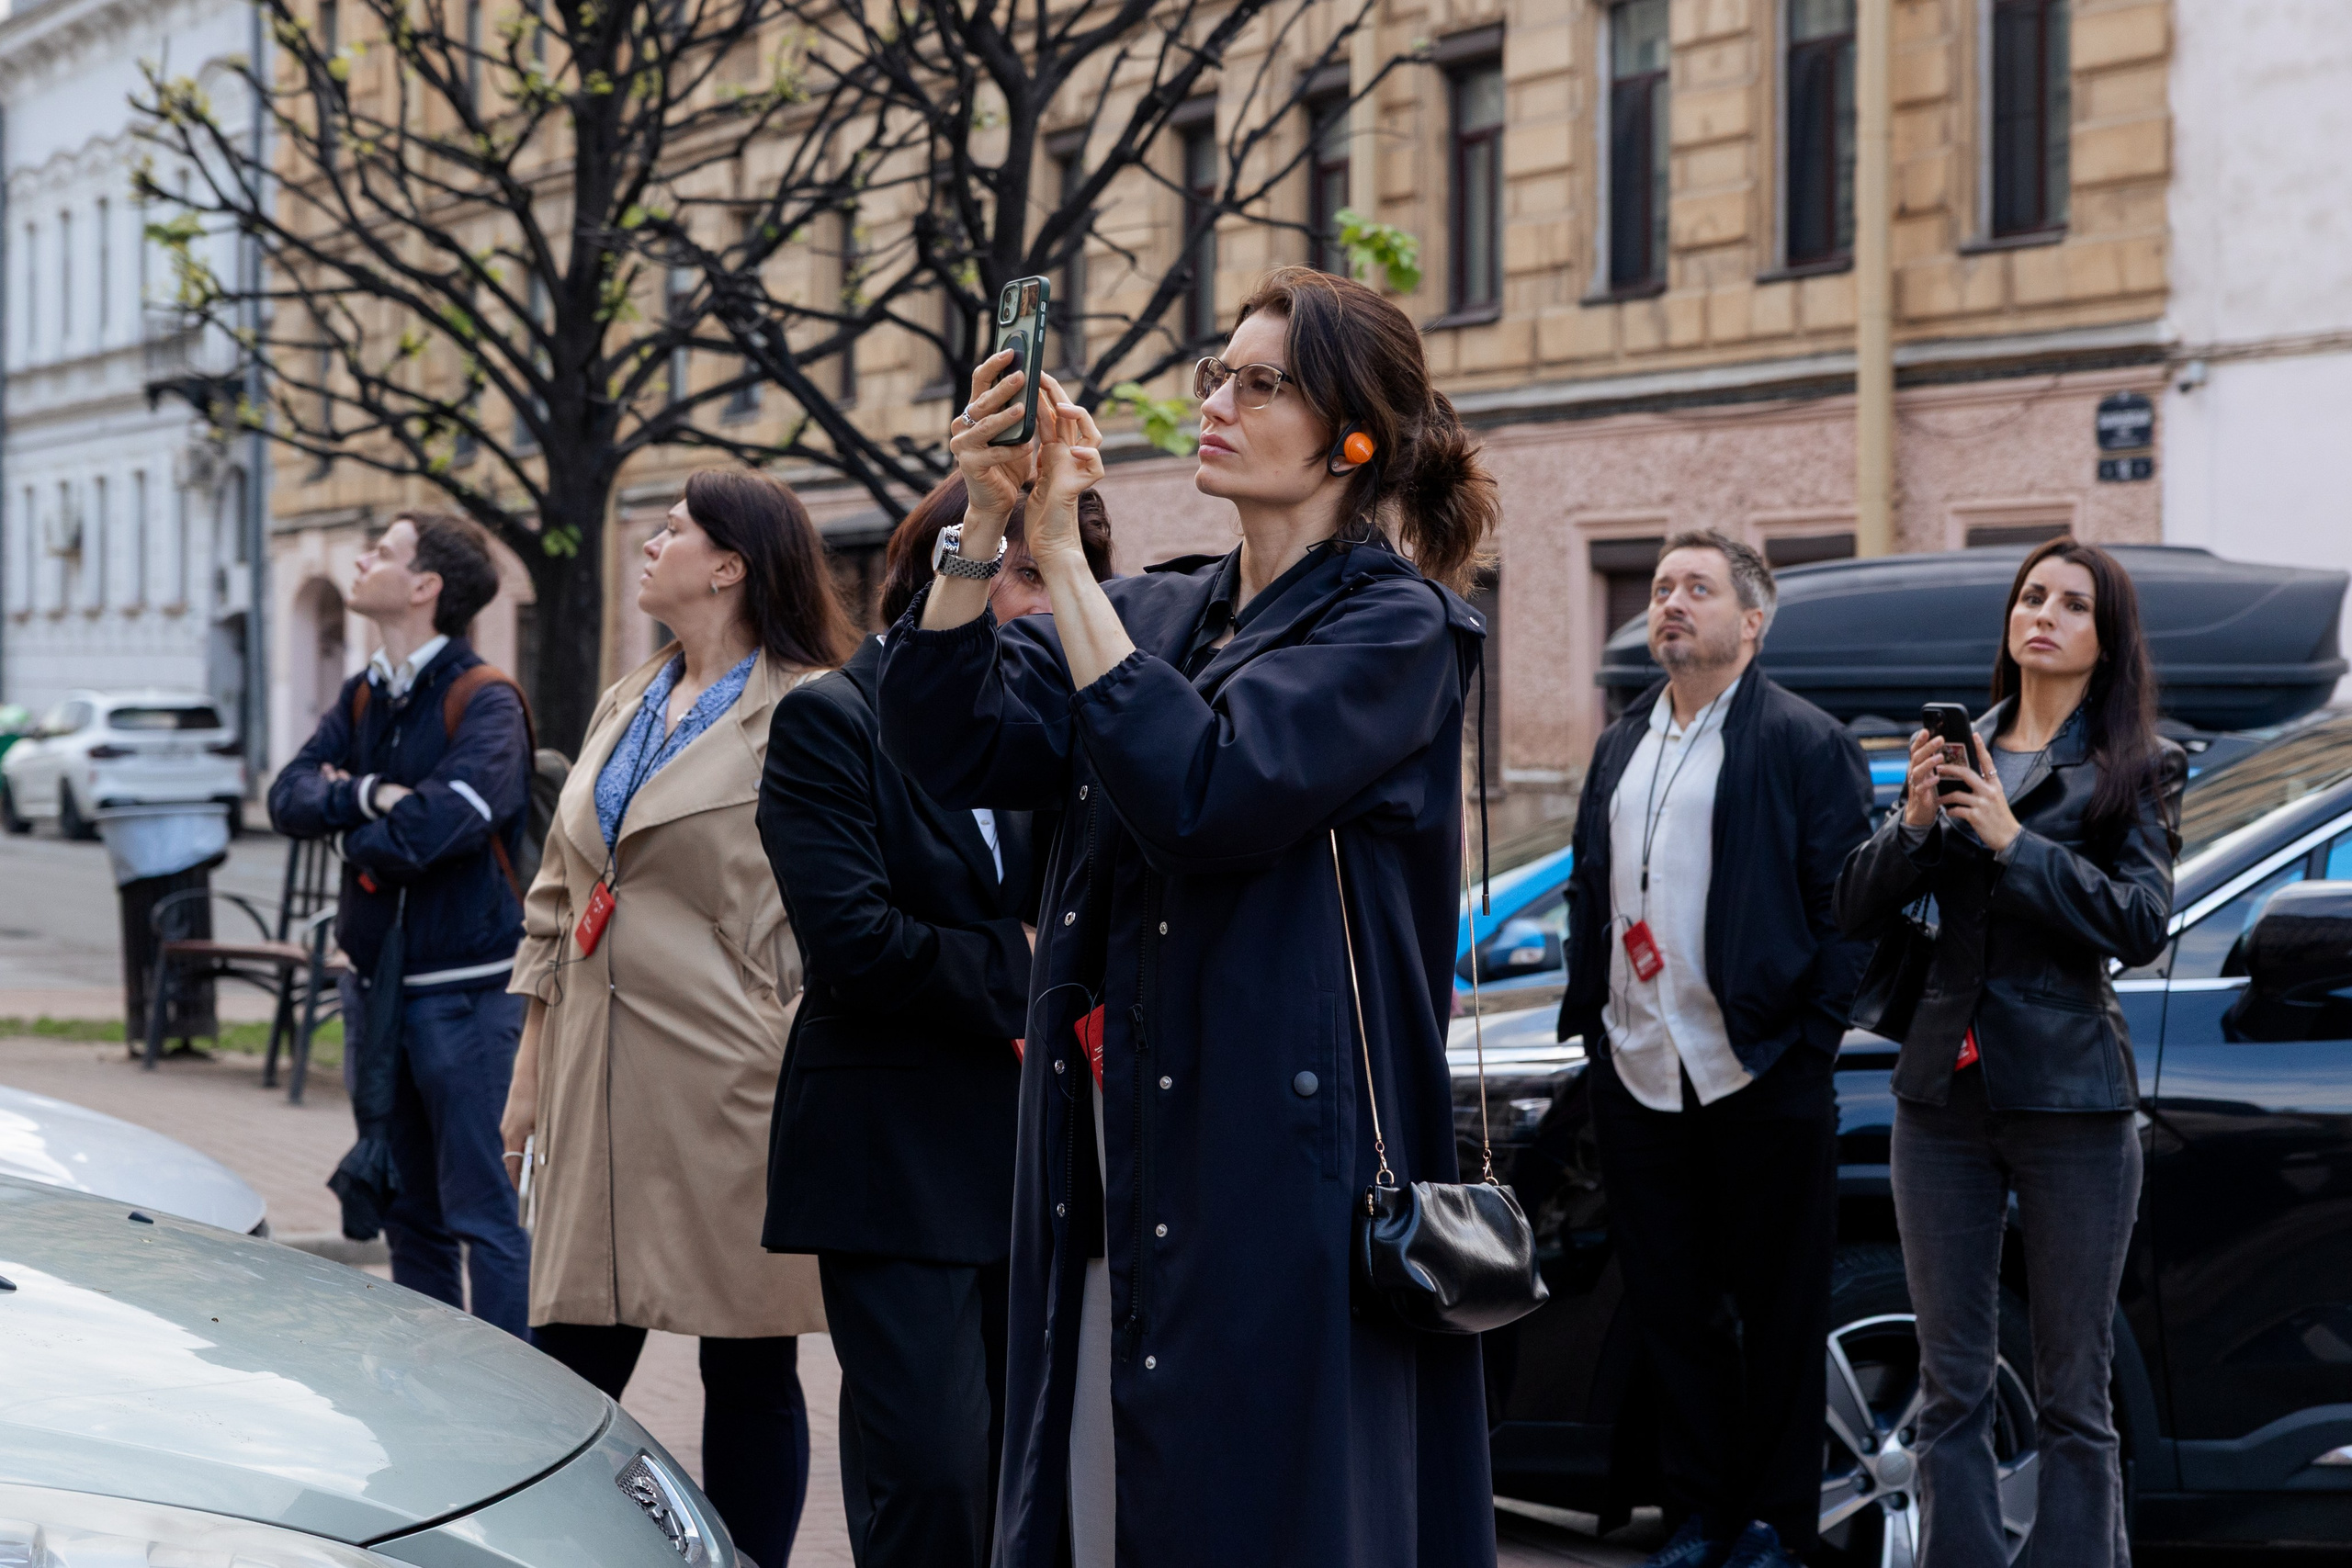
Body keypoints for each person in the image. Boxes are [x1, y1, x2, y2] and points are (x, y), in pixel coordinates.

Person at [876, 265, 1498, 1568]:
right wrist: (983, 530)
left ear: (1354, 434)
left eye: (1261, 382)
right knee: (1100, 1505)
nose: (1217, 399)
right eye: (1217, 371)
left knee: (1264, 1508)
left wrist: (1060, 557)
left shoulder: (1399, 630)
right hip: (1107, 1155)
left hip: (1277, 1168)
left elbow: (1209, 788)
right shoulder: (1157, 607)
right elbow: (945, 736)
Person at [498, 469, 853, 1568]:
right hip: (595, 1074)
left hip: (730, 1082)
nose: (649, 546)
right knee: (560, 1361)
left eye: (673, 532)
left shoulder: (809, 705)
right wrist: (528, 1069)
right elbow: (560, 892)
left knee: (744, 1363)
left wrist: (779, 1009)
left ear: (732, 565)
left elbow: (842, 892)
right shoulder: (628, 697)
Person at [757, 468, 1111, 1568]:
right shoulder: (832, 719)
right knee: (933, 1473)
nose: (1050, 604)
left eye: (1069, 576)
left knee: (1027, 1464)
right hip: (894, 1159)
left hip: (1034, 1156)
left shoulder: (1058, 726)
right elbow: (855, 943)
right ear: (940, 575)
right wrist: (1028, 964)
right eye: (1025, 574)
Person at [1836, 538, 2181, 1568]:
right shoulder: (1959, 749)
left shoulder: (2136, 765)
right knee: (1952, 1383)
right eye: (2031, 596)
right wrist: (1909, 823)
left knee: (2074, 1387)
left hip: (2072, 1097)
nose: (2043, 614)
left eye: (2072, 605)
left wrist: (2013, 844)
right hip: (1940, 1093)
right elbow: (1855, 906)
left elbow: (2140, 920)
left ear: (2103, 639)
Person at [1554, 530, 1874, 1568]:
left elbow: (1850, 911)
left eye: (1697, 587)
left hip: (1759, 1069)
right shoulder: (1621, 742)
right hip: (1639, 1068)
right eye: (1659, 588)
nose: (1670, 602)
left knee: (1779, 1317)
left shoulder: (1800, 740)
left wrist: (1808, 1044)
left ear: (1752, 620)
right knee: (1671, 1310)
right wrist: (1593, 1025)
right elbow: (1590, 893)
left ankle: (1774, 1524)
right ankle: (1694, 1517)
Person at [270, 512, 535, 1337]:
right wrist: (367, 796)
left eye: (382, 552)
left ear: (425, 587)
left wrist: (356, 821)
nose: (362, 559)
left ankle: (513, 1409)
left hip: (465, 999)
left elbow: (438, 828)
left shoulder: (484, 697)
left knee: (483, 1215)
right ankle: (433, 1399)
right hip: (378, 992)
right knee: (408, 1213)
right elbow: (287, 795)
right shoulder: (363, 693)